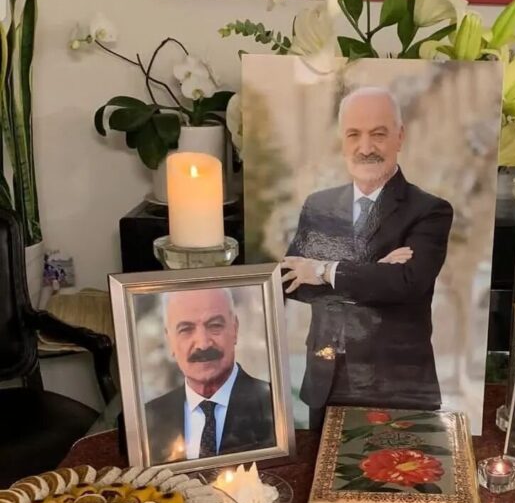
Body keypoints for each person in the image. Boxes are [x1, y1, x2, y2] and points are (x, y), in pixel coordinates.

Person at [281, 86, 453, 428]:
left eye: (378, 134)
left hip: (396, 386)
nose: (365, 147)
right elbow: (291, 283)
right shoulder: (319, 205)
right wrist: (373, 274)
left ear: (400, 136)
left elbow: (406, 285)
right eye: (354, 135)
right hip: (327, 380)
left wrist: (324, 270)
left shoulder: (429, 210)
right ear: (342, 140)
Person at [144, 287, 275, 464]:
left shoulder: (274, 405)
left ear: (235, 329)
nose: (203, 344)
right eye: (186, 329)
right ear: (169, 341)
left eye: (214, 326)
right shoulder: (148, 419)